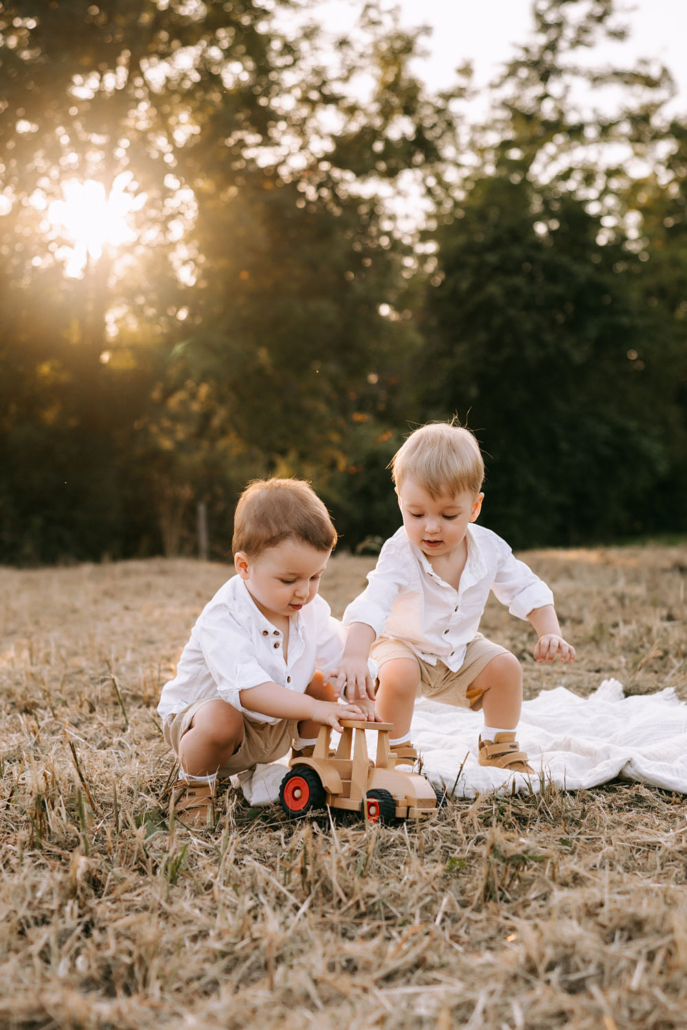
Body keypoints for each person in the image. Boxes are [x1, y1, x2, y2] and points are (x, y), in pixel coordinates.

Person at [333, 421, 575, 774]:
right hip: (400, 645)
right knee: (400, 673)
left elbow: (525, 587)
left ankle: (498, 745)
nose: (431, 526)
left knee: (506, 667)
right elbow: (373, 602)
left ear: (474, 508)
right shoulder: (400, 552)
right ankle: (395, 749)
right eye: (416, 514)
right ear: (400, 498)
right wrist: (355, 655)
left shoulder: (488, 548)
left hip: (457, 653)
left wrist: (549, 631)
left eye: (448, 515)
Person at [158, 478, 374, 827]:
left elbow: (340, 661)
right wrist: (315, 708)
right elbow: (247, 690)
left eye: (315, 577)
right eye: (289, 580)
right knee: (222, 717)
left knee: (324, 683)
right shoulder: (224, 615)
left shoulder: (310, 609)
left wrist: (363, 698)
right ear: (244, 567)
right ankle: (194, 788)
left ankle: (309, 767)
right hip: (211, 729)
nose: (304, 592)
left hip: (273, 727)